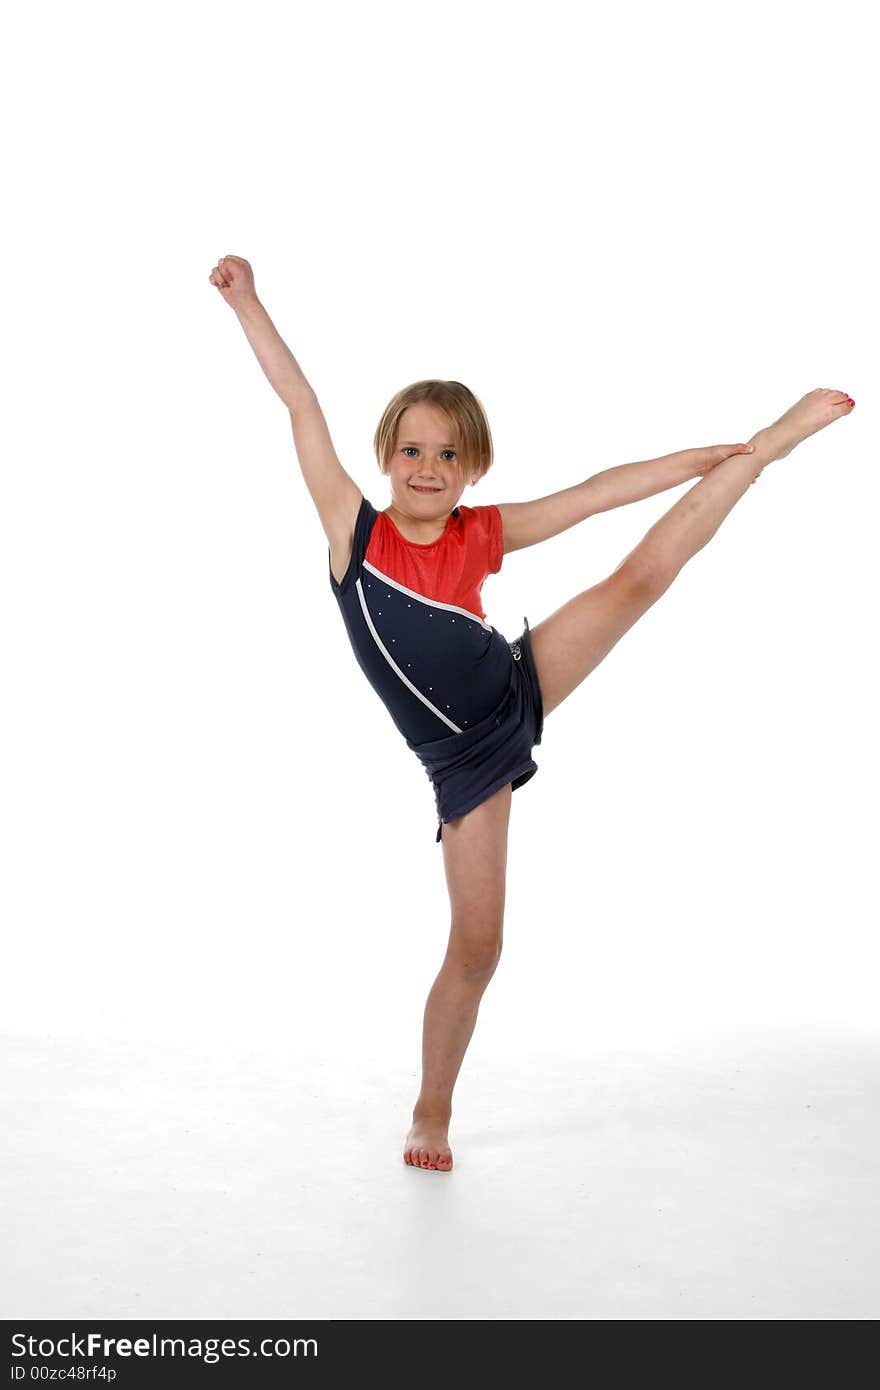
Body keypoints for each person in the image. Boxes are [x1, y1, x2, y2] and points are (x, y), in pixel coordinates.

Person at [209, 252, 855, 1174]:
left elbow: (589, 497)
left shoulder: (482, 529)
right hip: (464, 756)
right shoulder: (354, 529)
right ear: (386, 456)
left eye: (448, 455)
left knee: (641, 577)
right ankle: (431, 1112)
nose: (428, 469)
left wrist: (689, 460)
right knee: (479, 946)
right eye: (412, 451)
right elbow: (300, 403)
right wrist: (249, 303)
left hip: (514, 681)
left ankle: (763, 451)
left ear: (471, 468)